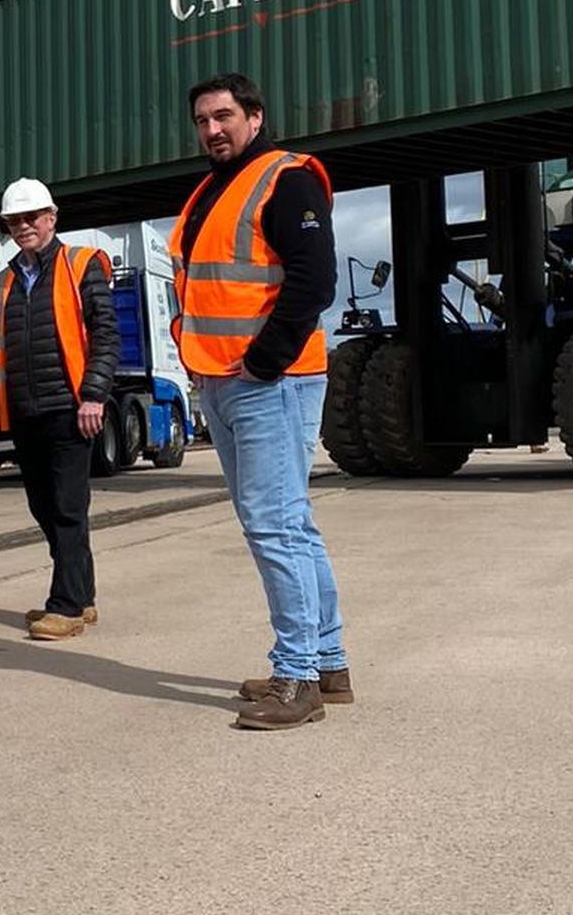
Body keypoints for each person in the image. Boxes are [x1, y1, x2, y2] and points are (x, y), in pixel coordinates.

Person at [168, 71, 348, 731]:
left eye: (223, 116)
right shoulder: (213, 189)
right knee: (292, 524)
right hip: (225, 380)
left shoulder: (286, 179)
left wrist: (265, 360)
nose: (212, 129)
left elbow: (314, 278)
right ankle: (327, 662)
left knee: (274, 526)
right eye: (202, 120)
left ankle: (298, 678)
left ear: (254, 115)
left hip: (268, 380)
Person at [0, 178, 118, 641]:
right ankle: (82, 594)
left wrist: (93, 394)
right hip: (26, 410)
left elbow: (106, 337)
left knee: (68, 506)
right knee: (43, 506)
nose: (24, 226)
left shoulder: (81, 265)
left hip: (71, 407)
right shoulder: (7, 280)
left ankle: (66, 606)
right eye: (15, 220)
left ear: (51, 217)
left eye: (32, 217)